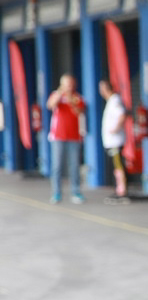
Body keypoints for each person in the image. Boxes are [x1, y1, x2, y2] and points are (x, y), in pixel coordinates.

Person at [45, 73, 87, 204]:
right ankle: (56, 193)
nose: (69, 86)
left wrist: (70, 100)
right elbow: (50, 105)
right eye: (67, 84)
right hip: (58, 136)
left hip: (74, 137)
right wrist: (60, 94)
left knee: (74, 165)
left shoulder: (77, 98)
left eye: (71, 84)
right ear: (62, 84)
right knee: (57, 165)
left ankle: (76, 192)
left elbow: (80, 112)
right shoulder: (56, 95)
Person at [98, 80, 130, 202]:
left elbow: (122, 114)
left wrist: (115, 129)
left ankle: (122, 191)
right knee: (115, 165)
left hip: (115, 141)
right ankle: (119, 188)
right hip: (110, 142)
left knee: (118, 165)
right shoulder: (110, 101)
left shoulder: (114, 100)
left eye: (102, 88)